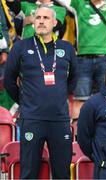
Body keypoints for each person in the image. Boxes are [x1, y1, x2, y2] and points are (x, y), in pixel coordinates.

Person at [4, 4, 77, 179]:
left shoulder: (66, 48)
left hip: (59, 119)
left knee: (62, 173)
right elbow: (8, 80)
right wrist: (25, 101)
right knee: (29, 172)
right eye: (38, 18)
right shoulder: (20, 47)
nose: (41, 21)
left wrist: (57, 97)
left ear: (54, 22)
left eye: (45, 18)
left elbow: (73, 79)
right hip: (32, 119)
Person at [57, 0, 106, 121]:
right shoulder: (78, 3)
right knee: (80, 98)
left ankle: (105, 132)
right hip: (82, 58)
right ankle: (79, 138)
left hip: (104, 58)